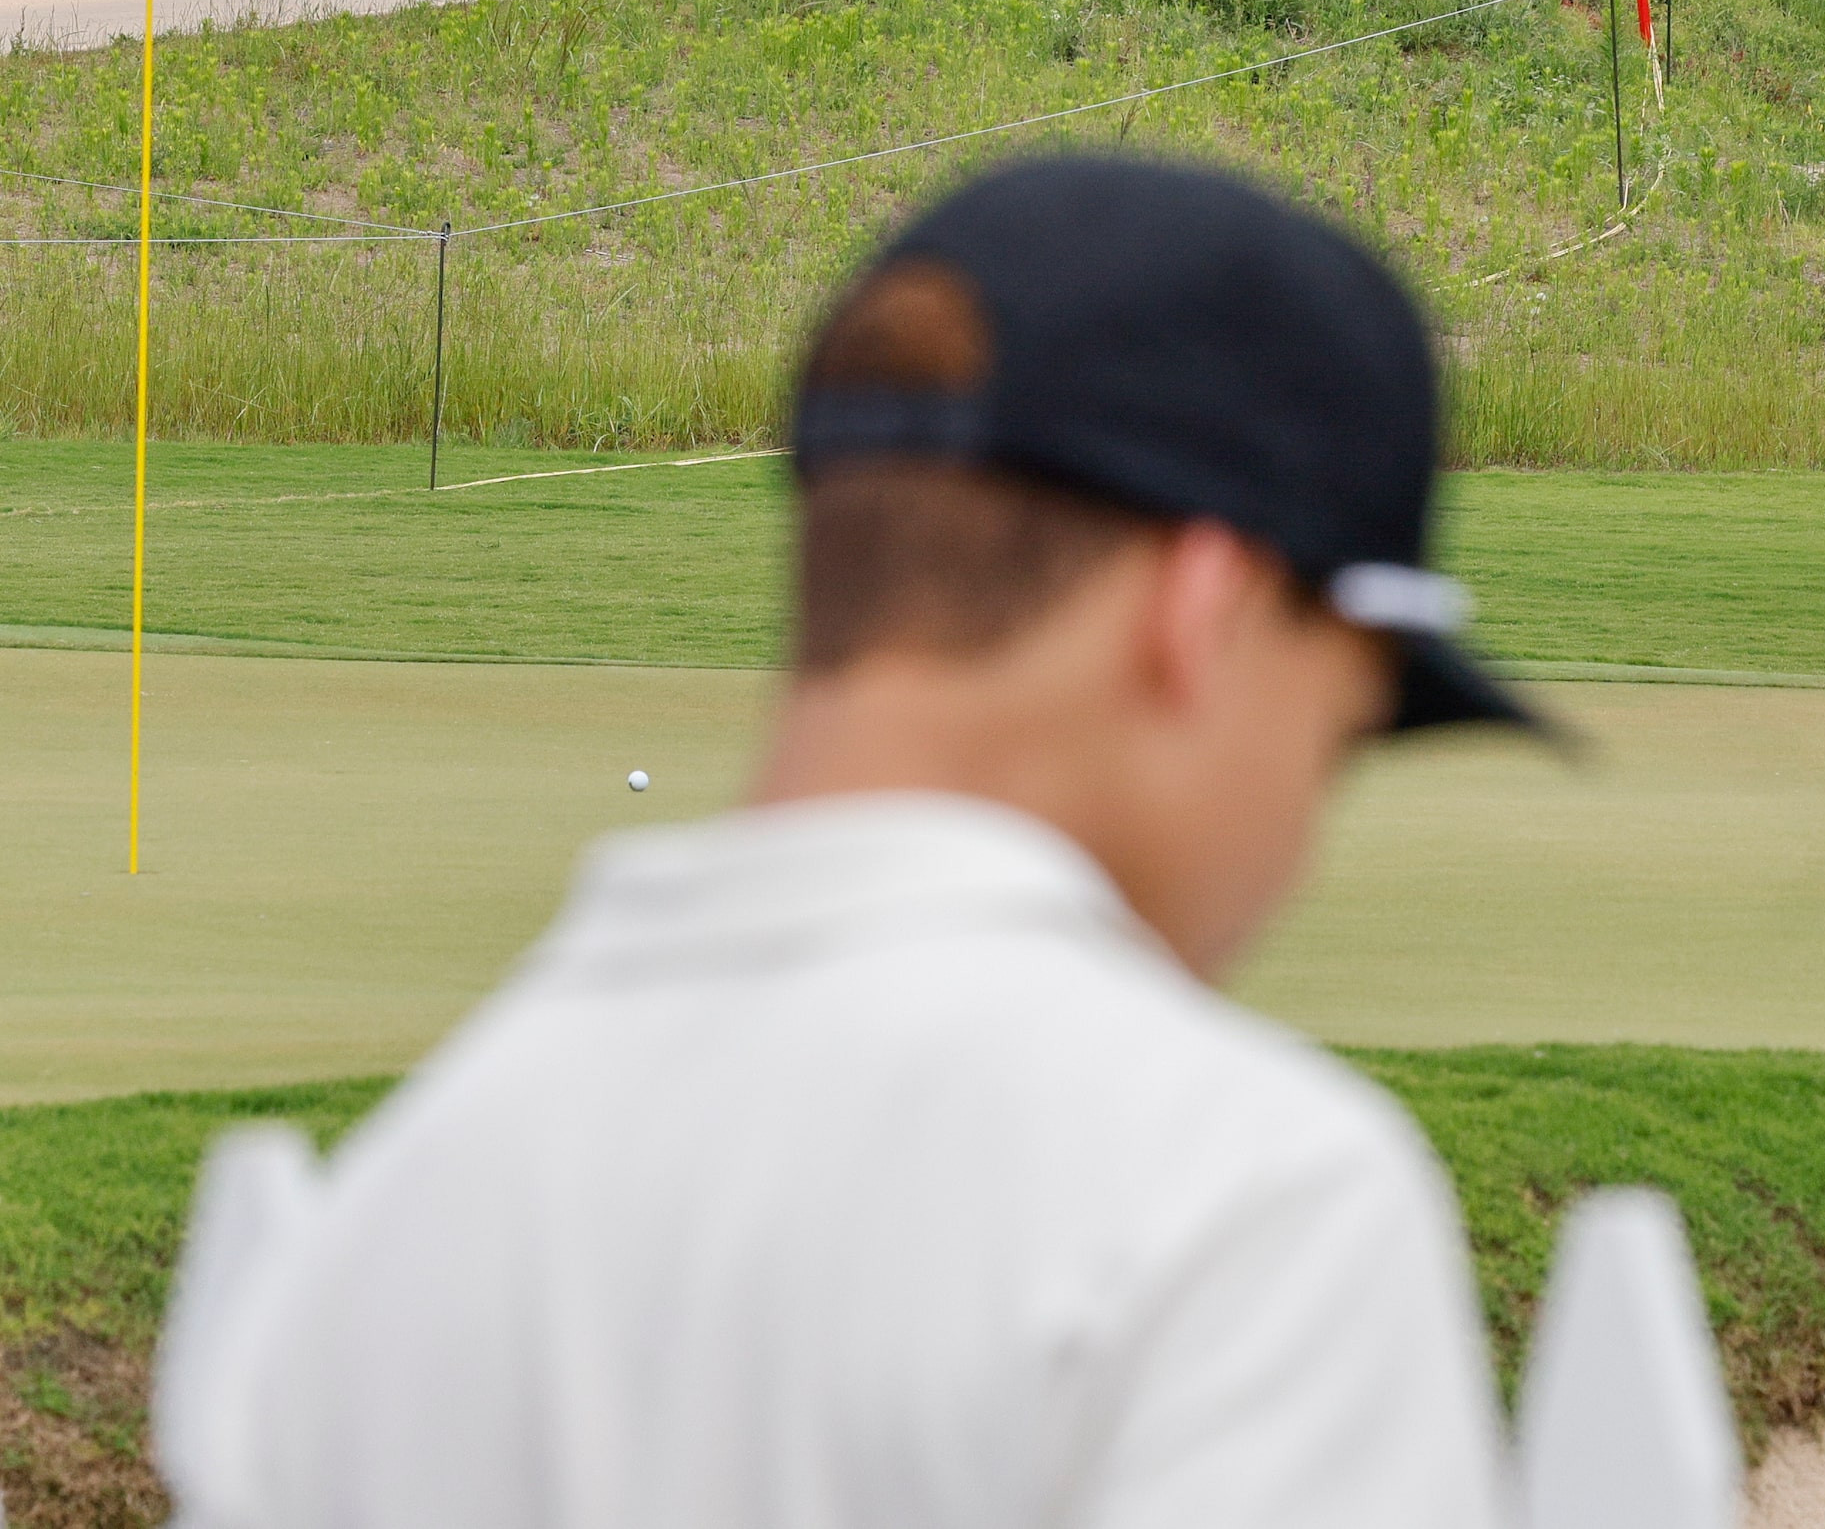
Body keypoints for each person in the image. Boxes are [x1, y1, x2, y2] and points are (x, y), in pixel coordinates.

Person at [149, 157, 1539, 1529]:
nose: (1303, 834)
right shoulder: (1247, 1206)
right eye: (1339, 731)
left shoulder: (392, 1213)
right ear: (1205, 609)